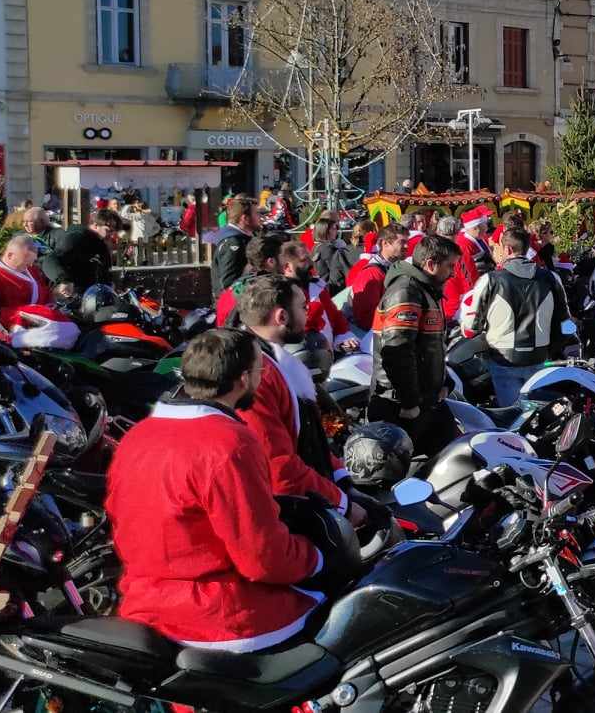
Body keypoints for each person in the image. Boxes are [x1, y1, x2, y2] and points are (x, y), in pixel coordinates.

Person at [106, 328, 327, 652]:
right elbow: (262, 557)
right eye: (259, 371)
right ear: (242, 379)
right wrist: (317, 556)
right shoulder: (229, 443)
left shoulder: (137, 436)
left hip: (144, 604)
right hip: (219, 616)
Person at [238, 276, 359, 521]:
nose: (309, 313)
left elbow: (310, 439)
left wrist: (340, 479)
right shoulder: (257, 375)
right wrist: (343, 505)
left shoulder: (273, 362)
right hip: (290, 511)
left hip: (310, 495)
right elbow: (279, 466)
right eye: (303, 307)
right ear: (282, 317)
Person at [370, 234, 458, 455]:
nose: (453, 273)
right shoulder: (406, 291)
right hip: (401, 405)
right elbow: (398, 351)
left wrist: (445, 382)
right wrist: (409, 402)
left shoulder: (426, 289)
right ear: (430, 264)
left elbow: (431, 347)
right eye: (450, 266)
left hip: (426, 399)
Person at [461, 228, 568, 407]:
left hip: (503, 358)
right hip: (539, 357)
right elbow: (564, 323)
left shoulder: (490, 280)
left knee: (511, 415)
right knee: (536, 416)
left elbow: (471, 328)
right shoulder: (550, 278)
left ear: (508, 250)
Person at [42, 209, 122, 296]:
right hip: (68, 296)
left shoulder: (102, 246)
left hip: (91, 298)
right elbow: (50, 260)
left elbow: (105, 274)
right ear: (95, 226)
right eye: (108, 230)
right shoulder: (76, 239)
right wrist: (64, 280)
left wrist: (109, 286)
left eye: (114, 232)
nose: (112, 235)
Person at [346, 225, 405, 334]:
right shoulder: (372, 273)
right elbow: (366, 319)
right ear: (385, 243)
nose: (406, 246)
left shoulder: (394, 268)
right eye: (402, 242)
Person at [0, 234, 53, 322]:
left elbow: (44, 289)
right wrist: (28, 314)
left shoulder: (30, 268)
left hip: (46, 316)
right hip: (17, 326)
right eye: (26, 261)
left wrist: (54, 297)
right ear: (10, 255)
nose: (31, 265)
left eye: (33, 260)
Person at [212, 196, 261, 295]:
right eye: (257, 214)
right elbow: (228, 285)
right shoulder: (233, 243)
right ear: (245, 218)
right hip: (235, 307)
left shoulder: (241, 239)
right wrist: (248, 271)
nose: (260, 217)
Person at [309, 215, 353, 293]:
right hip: (333, 289)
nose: (336, 230)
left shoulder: (316, 246)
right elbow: (337, 271)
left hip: (323, 287)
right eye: (334, 228)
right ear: (326, 231)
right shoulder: (328, 248)